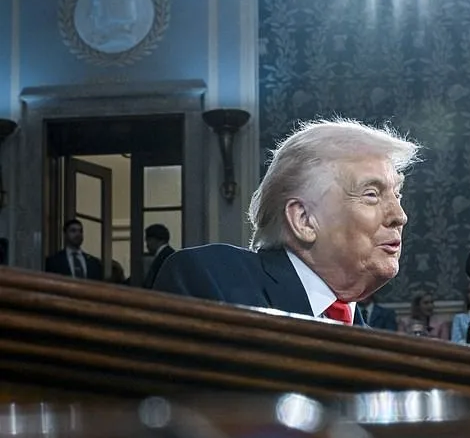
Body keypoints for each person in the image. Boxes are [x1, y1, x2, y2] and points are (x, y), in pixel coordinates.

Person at [154, 118, 419, 326]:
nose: (400, 216)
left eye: (396, 195)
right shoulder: (212, 282)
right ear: (304, 220)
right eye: (372, 194)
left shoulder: (374, 345)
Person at [143, 223, 175, 289]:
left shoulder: (164, 256)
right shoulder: (170, 254)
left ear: (155, 239)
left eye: (147, 240)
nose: (147, 244)